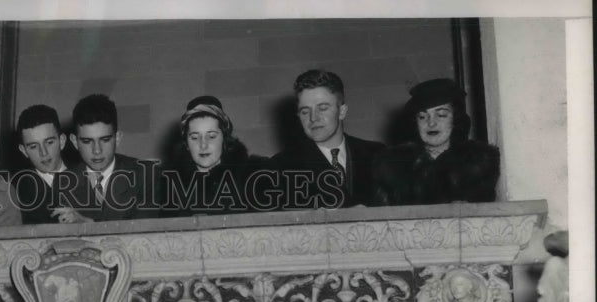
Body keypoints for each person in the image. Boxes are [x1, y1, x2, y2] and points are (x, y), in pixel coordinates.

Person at [371, 78, 500, 206]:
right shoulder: (391, 166)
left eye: (441, 115)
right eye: (422, 116)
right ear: (415, 123)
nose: (431, 123)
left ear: (455, 120)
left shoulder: (479, 162)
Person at [271, 69, 384, 209]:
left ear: (342, 112)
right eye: (305, 111)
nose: (313, 118)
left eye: (323, 108)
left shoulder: (378, 154)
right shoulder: (280, 166)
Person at [56, 94, 158, 223]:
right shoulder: (63, 183)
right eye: (87, 141)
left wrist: (87, 223)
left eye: (105, 140)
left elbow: (145, 232)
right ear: (75, 142)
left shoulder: (146, 174)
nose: (97, 150)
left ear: (118, 138)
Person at [160, 95, 264, 217]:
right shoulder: (166, 185)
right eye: (194, 137)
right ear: (186, 144)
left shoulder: (252, 178)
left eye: (212, 136)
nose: (203, 145)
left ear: (224, 140)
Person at [12, 105, 71, 225]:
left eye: (49, 142)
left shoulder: (90, 180)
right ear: (24, 151)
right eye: (33, 146)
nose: (43, 153)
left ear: (62, 141)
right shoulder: (15, 192)